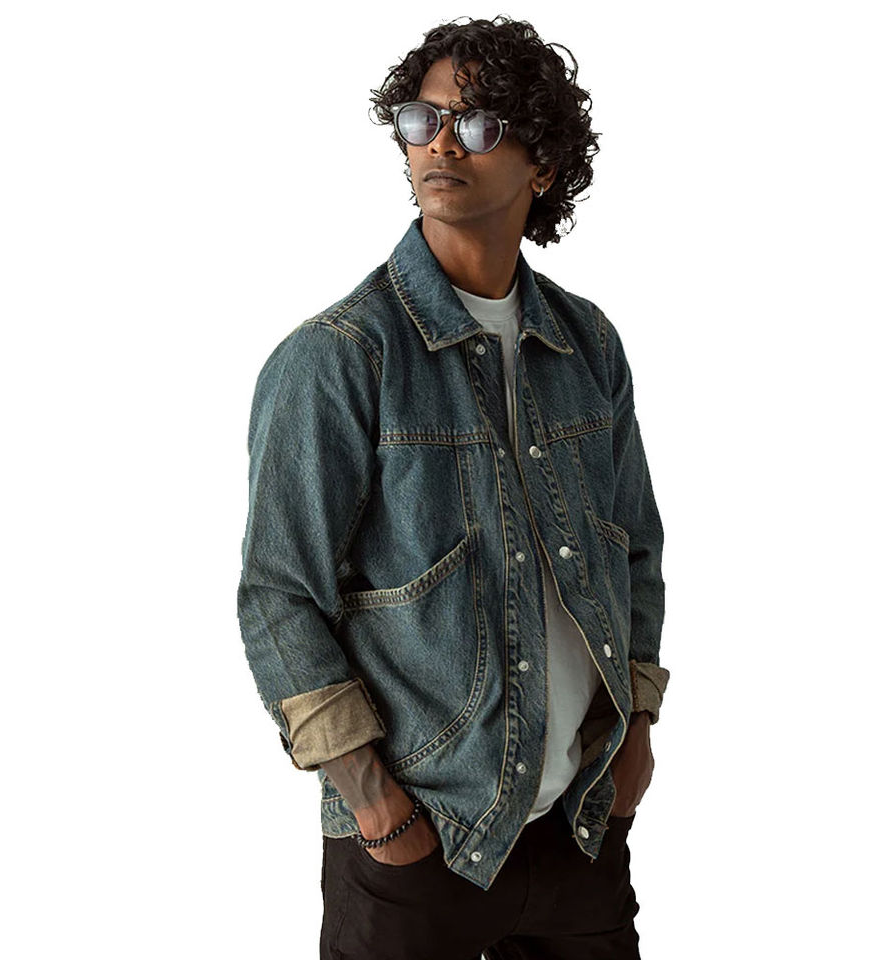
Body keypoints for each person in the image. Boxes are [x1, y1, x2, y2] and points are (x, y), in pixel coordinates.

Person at [237, 16, 670, 959]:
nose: (440, 144)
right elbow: (279, 597)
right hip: (420, 841)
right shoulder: (340, 357)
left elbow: (635, 548)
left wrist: (637, 726)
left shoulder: (588, 345)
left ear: (542, 164)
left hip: (578, 831)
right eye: (421, 119)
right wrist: (376, 807)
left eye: (476, 125)